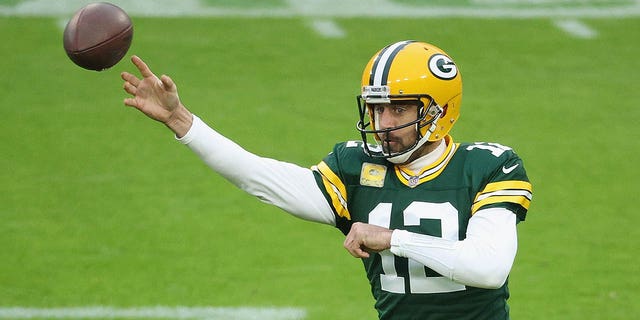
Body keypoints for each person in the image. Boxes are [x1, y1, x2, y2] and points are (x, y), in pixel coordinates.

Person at [121, 40, 533, 320]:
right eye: (376, 109)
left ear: (439, 113)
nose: (382, 124)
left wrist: (391, 238)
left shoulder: (488, 166)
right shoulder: (355, 167)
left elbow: (488, 268)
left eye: (398, 110)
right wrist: (180, 120)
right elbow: (259, 178)